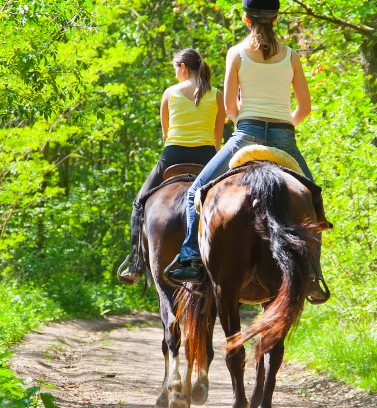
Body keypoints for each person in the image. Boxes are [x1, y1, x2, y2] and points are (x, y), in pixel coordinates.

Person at [167, 0, 328, 303]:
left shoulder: (236, 54)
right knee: (313, 200)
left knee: (195, 192)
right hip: (284, 139)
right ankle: (311, 273)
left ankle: (190, 259)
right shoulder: (291, 56)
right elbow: (304, 107)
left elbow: (230, 108)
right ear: (276, 19)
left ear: (245, 19)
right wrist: (285, 125)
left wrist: (249, 120)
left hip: (246, 135)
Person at [118, 48, 226, 284]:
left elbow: (166, 136)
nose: (175, 73)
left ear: (183, 68)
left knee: (139, 202)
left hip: (173, 155)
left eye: (175, 69)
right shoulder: (217, 95)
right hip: (207, 157)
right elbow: (218, 139)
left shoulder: (170, 93)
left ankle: (136, 263)